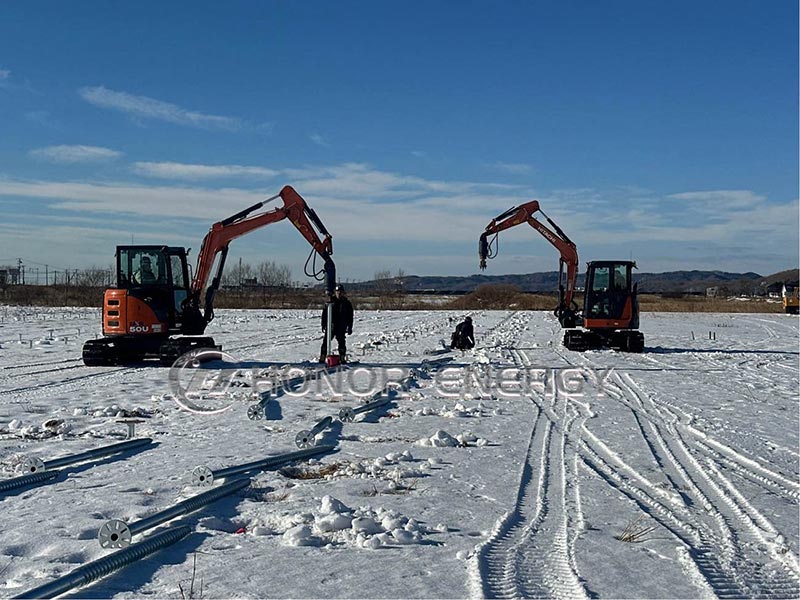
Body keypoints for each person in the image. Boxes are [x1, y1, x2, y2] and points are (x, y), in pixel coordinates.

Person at [320, 284, 354, 362]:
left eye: (340, 292)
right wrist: (323, 324)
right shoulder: (330, 302)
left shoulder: (346, 303)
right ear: (335, 292)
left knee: (341, 342)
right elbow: (324, 314)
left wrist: (350, 327)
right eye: (337, 291)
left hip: (341, 326)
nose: (339, 293)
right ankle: (322, 357)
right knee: (326, 342)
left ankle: (342, 357)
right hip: (331, 326)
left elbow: (350, 316)